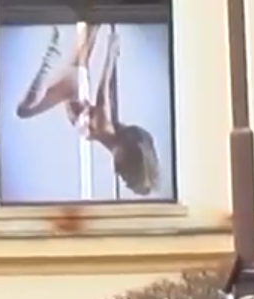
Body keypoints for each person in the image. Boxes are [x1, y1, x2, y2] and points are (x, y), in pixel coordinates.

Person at [15, 21, 167, 197]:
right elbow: (104, 93)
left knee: (82, 54)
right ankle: (57, 45)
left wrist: (112, 53)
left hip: (76, 91)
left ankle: (89, 25)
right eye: (124, 174)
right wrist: (111, 53)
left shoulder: (113, 136)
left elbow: (107, 94)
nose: (119, 173)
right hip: (74, 91)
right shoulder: (108, 131)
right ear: (127, 159)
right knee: (25, 110)